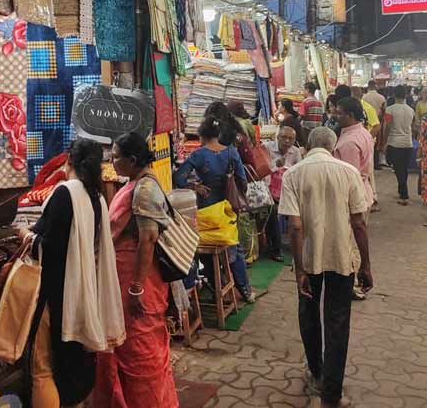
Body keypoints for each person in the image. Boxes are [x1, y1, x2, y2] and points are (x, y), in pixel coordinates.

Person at [18, 139, 126, 408]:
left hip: (56, 292)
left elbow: (49, 246)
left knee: (42, 367)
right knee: (73, 362)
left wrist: (26, 235)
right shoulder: (97, 196)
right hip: (84, 290)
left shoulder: (65, 192)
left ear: (69, 162)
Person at [279, 127, 372, 408]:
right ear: (333, 148)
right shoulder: (348, 172)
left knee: (308, 313)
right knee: (338, 320)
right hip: (342, 258)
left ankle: (316, 371)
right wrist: (366, 264)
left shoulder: (293, 174)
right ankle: (332, 392)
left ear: (306, 146)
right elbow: (358, 223)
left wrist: (299, 271)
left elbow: (294, 226)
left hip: (308, 259)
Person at [93, 133, 179, 408]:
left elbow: (148, 238)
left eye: (116, 156)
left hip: (139, 283)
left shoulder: (144, 189)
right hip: (129, 280)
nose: (111, 161)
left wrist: (136, 288)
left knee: (141, 354)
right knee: (132, 348)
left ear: (131, 160)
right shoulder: (135, 184)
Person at [172, 118, 255, 303]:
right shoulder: (232, 152)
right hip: (227, 209)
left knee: (205, 249)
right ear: (218, 135)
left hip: (207, 210)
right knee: (234, 247)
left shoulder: (198, 155)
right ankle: (245, 290)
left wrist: (196, 187)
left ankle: (216, 286)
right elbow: (242, 181)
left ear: (201, 136)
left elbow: (179, 177)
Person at [264, 125, 303, 262]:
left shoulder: (296, 152)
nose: (287, 141)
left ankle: (299, 246)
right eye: (284, 137)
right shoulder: (267, 148)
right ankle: (276, 249)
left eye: (290, 138)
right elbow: (262, 171)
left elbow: (300, 173)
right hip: (269, 192)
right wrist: (276, 165)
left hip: (288, 192)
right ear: (277, 137)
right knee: (272, 211)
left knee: (301, 210)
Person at [334, 97, 376, 213]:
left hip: (353, 197)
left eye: (339, 113)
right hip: (362, 191)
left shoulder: (350, 142)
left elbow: (350, 177)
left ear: (350, 115)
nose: (336, 117)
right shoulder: (363, 132)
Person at [385, 85, 415, 205]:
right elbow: (412, 126)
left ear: (394, 95)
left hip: (394, 142)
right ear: (405, 95)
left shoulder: (390, 109)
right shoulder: (411, 110)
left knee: (398, 169)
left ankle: (404, 194)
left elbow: (387, 126)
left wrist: (384, 142)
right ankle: (401, 190)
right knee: (404, 169)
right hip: (408, 142)